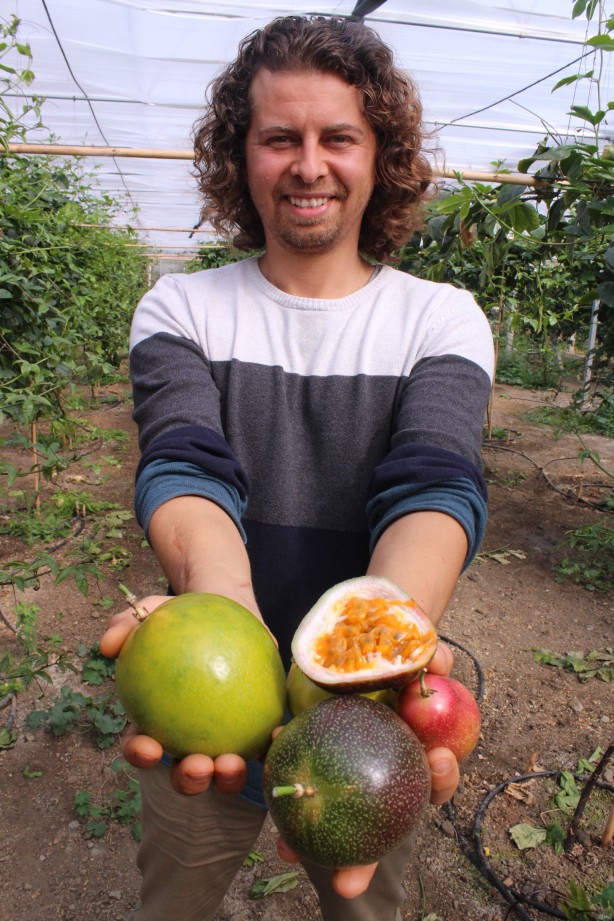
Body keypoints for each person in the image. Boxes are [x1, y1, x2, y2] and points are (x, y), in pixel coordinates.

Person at [100, 14, 494, 921]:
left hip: (365, 743)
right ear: (241, 155)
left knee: (366, 903)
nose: (309, 164)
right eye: (280, 137)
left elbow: (435, 484)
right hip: (207, 709)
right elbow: (184, 464)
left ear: (378, 155)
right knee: (174, 899)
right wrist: (225, 598)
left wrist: (382, 638)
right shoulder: (181, 307)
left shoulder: (441, 319)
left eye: (338, 138)